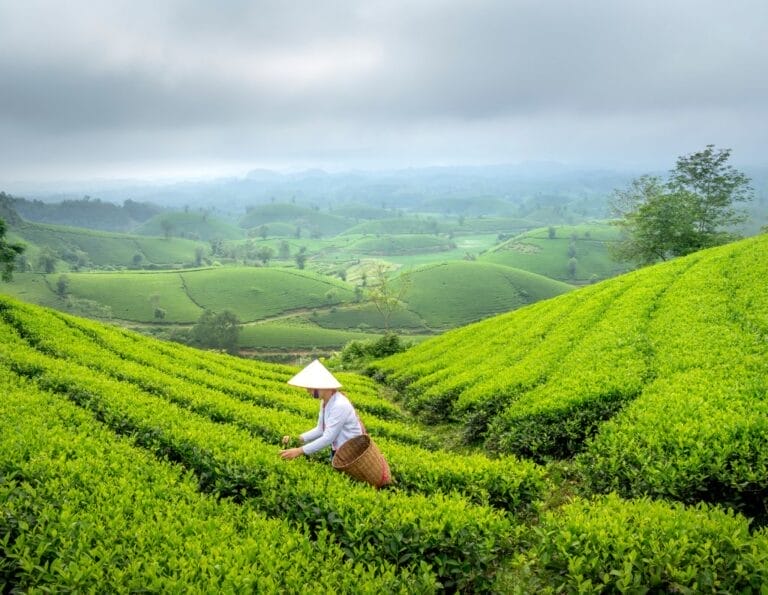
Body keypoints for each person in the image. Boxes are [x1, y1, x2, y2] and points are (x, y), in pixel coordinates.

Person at [279, 359, 365, 462]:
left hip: (352, 453)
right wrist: (297, 438)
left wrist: (299, 451)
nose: (308, 391)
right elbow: (320, 429)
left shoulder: (339, 405)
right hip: (340, 449)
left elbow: (328, 437)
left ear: (321, 386)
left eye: (310, 388)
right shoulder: (325, 402)